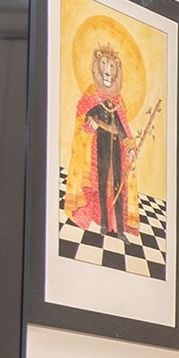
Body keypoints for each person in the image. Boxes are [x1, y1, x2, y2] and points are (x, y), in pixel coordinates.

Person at [66, 44, 140, 237]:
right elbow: (83, 119)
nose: (108, 71)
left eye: (112, 66)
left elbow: (123, 128)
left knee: (118, 187)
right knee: (100, 184)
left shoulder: (118, 101)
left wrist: (131, 148)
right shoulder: (92, 95)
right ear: (98, 67)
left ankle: (120, 229)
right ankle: (105, 225)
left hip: (117, 151)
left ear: (117, 71)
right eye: (104, 65)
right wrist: (90, 123)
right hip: (99, 148)